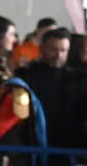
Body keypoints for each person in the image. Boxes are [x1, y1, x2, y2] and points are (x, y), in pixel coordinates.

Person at [17, 27, 87, 156]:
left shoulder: (78, 79)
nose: (58, 55)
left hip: (68, 144)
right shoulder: (26, 75)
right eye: (53, 49)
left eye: (63, 50)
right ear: (42, 48)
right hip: (30, 142)